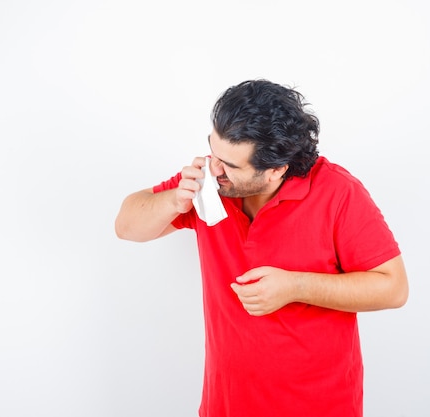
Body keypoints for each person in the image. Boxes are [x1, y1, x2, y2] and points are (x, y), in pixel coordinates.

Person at [115, 79, 408, 417]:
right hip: (225, 405)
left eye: (231, 166)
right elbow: (126, 227)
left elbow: (394, 287)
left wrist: (295, 286)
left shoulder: (339, 193)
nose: (215, 169)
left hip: (318, 406)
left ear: (276, 170)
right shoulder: (210, 183)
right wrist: (175, 199)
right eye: (213, 151)